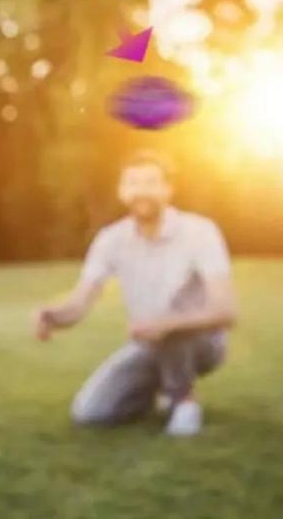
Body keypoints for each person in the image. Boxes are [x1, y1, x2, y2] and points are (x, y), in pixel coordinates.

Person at [32, 150, 237, 436]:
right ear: (121, 191)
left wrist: (165, 324)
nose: (142, 190)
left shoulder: (199, 232)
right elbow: (80, 303)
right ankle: (162, 388)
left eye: (151, 182)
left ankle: (183, 402)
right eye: (133, 183)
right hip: (149, 344)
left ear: (168, 189)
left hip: (203, 345)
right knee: (90, 413)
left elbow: (226, 312)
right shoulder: (111, 239)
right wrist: (53, 315)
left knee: (172, 318)